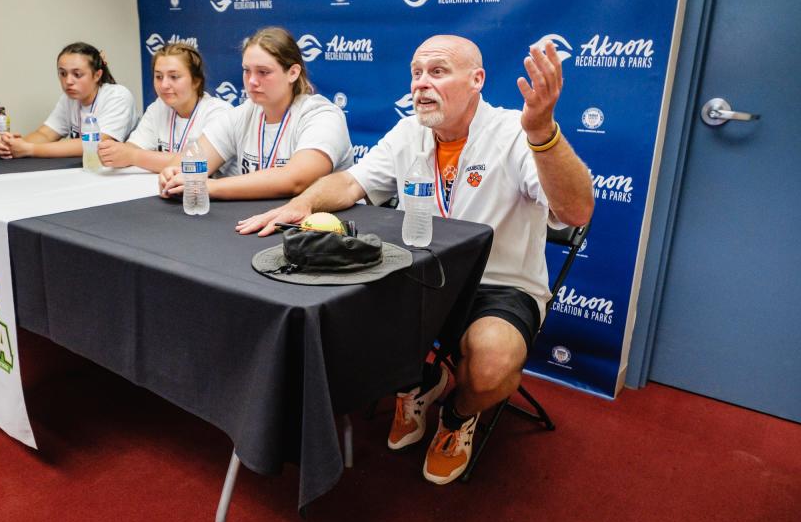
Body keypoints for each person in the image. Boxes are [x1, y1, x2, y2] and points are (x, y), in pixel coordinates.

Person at [236, 35, 594, 485]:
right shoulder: (409, 132)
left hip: (498, 285)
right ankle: (421, 384)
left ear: (477, 80)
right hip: (422, 276)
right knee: (342, 317)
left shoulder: (514, 132)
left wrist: (543, 133)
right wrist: (302, 204)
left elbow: (576, 212)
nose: (422, 84)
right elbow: (350, 184)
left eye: (438, 72)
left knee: (490, 366)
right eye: (417, 73)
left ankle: (458, 414)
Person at [158, 27, 352, 200]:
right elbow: (192, 161)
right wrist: (174, 173)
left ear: (293, 73)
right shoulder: (243, 114)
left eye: (263, 72)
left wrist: (212, 186)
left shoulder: (321, 115)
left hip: (317, 229)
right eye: (246, 71)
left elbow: (296, 180)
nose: (251, 81)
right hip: (258, 222)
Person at [97, 43, 231, 172]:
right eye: (159, 77)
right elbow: (131, 148)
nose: (164, 85)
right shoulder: (159, 107)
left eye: (174, 77)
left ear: (196, 81)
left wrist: (133, 157)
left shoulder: (218, 113)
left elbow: (194, 165)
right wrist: (113, 153)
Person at [0, 42, 139, 159]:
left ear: (97, 75)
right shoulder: (69, 98)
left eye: (77, 74)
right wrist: (13, 145)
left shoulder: (118, 96)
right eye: (62, 74)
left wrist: (30, 149)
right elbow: (45, 134)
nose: (68, 81)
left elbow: (96, 143)